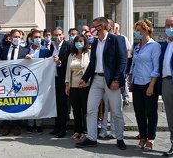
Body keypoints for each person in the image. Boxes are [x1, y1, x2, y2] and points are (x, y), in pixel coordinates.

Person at [76, 17, 127, 150]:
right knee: (91, 109)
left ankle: (120, 138)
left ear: (102, 27)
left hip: (111, 81)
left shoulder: (117, 40)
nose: (92, 29)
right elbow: (92, 64)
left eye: (94, 26)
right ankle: (92, 138)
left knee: (116, 111)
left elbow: (122, 62)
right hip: (97, 80)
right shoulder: (96, 43)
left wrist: (117, 79)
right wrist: (84, 78)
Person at [129, 19, 160, 152]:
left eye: (138, 30)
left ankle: (150, 138)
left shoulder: (155, 46)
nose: (136, 33)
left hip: (148, 82)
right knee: (139, 112)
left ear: (146, 30)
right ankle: (143, 136)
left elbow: (156, 67)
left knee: (151, 112)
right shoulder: (137, 46)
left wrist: (152, 85)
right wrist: (131, 81)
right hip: (137, 83)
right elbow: (133, 65)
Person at [0, 29, 29, 136]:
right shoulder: (4, 49)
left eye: (19, 37)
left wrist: (29, 59)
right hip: (6, 80)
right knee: (6, 102)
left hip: (19, 81)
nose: (17, 39)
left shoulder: (25, 51)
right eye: (15, 37)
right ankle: (6, 126)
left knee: (18, 103)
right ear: (10, 38)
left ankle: (18, 126)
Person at [25, 29, 51, 134]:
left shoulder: (45, 50)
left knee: (39, 101)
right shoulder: (25, 50)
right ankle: (30, 123)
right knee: (29, 101)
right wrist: (25, 58)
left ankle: (39, 124)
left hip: (41, 80)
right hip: (28, 80)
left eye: (39, 37)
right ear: (31, 39)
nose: (38, 39)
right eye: (35, 37)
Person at [65, 35, 90, 140]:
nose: (79, 43)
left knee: (85, 109)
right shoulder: (71, 55)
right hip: (73, 85)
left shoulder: (88, 54)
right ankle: (77, 130)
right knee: (76, 109)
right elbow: (68, 70)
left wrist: (85, 80)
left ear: (85, 43)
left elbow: (90, 69)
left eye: (81, 41)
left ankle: (86, 131)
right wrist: (67, 84)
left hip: (85, 85)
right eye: (77, 41)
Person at [49, 27, 72, 138]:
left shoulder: (68, 46)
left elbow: (69, 62)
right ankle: (57, 125)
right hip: (53, 79)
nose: (57, 37)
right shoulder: (51, 46)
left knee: (62, 104)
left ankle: (63, 128)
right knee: (56, 104)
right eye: (55, 35)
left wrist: (59, 62)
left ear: (63, 35)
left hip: (63, 79)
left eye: (59, 34)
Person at [160, 16, 173, 157]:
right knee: (170, 115)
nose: (169, 27)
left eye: (172, 24)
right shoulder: (164, 45)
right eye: (167, 25)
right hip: (166, 82)